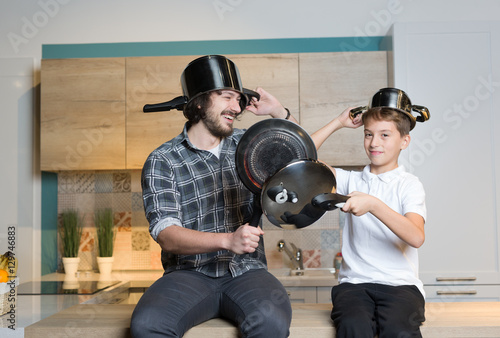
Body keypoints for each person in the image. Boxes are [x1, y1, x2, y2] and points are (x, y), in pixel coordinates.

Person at [130, 55, 295, 338]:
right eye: (226, 97)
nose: (236, 106)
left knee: (271, 322)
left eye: (239, 100)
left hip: (247, 273)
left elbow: (301, 160)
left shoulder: (251, 145)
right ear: (198, 102)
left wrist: (279, 113)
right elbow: (167, 234)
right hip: (188, 274)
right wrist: (227, 240)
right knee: (147, 326)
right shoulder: (163, 160)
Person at [311, 99, 427, 337]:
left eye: (385, 135)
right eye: (368, 134)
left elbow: (416, 237)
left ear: (404, 141)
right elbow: (298, 156)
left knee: (398, 330)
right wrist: (338, 123)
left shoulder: (409, 185)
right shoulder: (348, 181)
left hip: (401, 286)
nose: (374, 143)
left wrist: (373, 204)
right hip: (354, 286)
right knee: (354, 328)